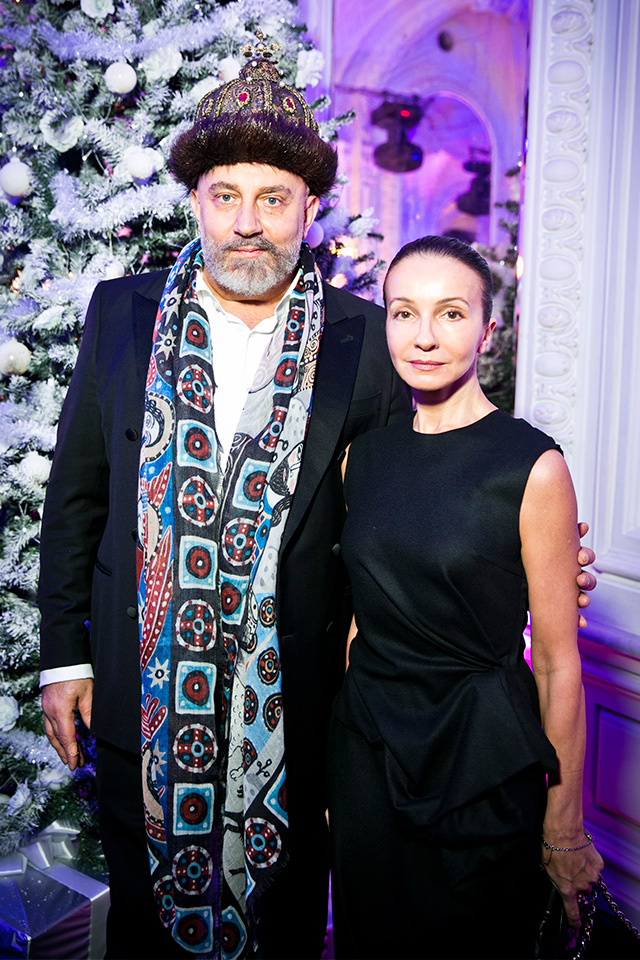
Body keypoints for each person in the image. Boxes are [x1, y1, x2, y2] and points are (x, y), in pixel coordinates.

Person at [36, 45, 596, 959]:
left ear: (309, 209)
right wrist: (64, 656)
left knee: (286, 932)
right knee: (144, 929)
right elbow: (75, 500)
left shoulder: (366, 336)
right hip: (140, 694)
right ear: (195, 201)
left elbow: (418, 484)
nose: (247, 224)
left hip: (296, 717)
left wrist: (526, 550)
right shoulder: (120, 313)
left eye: (274, 199)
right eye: (226, 196)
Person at [327, 236, 603, 960]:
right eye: (403, 312)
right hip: (368, 758)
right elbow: (360, 620)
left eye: (450, 313)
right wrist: (338, 769)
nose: (423, 336)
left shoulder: (532, 465)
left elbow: (558, 664)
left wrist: (564, 827)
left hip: (479, 761)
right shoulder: (364, 457)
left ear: (487, 331)